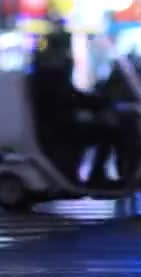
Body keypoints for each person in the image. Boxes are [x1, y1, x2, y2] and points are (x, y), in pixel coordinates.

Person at [29, 31, 128, 187]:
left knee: (106, 130)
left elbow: (71, 96)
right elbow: (68, 98)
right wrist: (99, 102)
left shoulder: (48, 69)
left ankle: (94, 175)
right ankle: (96, 176)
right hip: (56, 126)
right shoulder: (50, 72)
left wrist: (98, 101)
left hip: (59, 122)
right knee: (109, 133)